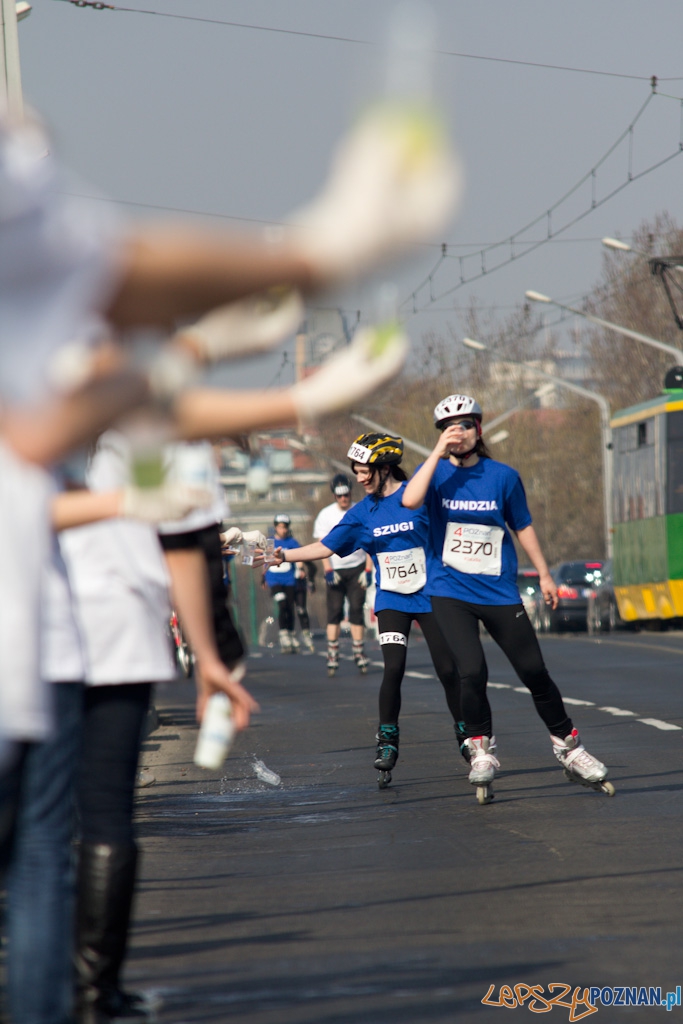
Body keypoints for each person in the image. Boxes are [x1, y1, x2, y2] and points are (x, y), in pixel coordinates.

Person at [402, 394, 613, 803]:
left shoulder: (503, 476)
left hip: (498, 590)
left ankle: (570, 748)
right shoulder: (435, 476)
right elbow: (409, 501)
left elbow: (523, 525)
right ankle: (481, 749)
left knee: (533, 670)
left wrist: (546, 574)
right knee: (471, 671)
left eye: (466, 425)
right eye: (449, 427)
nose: (458, 433)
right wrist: (437, 452)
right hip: (449, 590)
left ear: (479, 429)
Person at [273, 433, 463, 786]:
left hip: (429, 595)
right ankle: (387, 741)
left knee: (448, 669)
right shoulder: (362, 512)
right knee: (394, 667)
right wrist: (282, 555)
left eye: (364, 472)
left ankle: (467, 735)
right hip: (391, 599)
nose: (359, 479)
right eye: (356, 472)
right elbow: (325, 547)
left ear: (385, 468)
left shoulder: (416, 496)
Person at [313, 474, 372, 675]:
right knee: (335, 611)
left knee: (356, 609)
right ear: (334, 496)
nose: (344, 499)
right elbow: (322, 545)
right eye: (340, 496)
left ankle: (359, 651)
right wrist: (328, 569)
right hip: (336, 568)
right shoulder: (325, 515)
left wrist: (368, 570)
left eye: (346, 495)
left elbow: (370, 540)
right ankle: (332, 652)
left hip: (357, 567)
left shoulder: (359, 509)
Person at [262, 514, 305, 654]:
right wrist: (263, 577)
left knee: (290, 607)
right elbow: (265, 561)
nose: (283, 530)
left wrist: (301, 569)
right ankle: (283, 634)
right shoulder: (270, 542)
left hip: (289, 579)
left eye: (285, 527)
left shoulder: (292, 542)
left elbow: (299, 557)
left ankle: (291, 633)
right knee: (282, 604)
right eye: (280, 527)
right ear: (275, 527)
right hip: (274, 579)